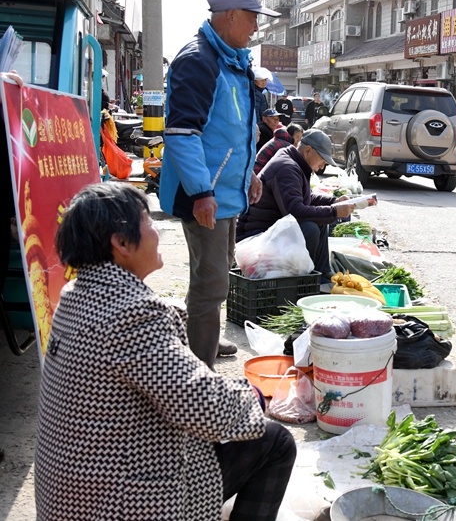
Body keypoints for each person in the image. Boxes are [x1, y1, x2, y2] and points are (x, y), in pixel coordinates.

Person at [34, 182, 296, 521]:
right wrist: (253, 396)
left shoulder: (76, 293)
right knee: (275, 441)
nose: (157, 230)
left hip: (71, 492)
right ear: (121, 242)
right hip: (116, 502)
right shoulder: (131, 314)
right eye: (147, 222)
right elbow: (204, 408)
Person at [160, 0, 278, 368]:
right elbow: (182, 133)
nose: (256, 28)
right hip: (204, 196)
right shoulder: (198, 60)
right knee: (209, 283)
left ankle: (205, 337)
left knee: (219, 274)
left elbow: (237, 131)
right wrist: (201, 191)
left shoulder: (235, 61)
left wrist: (250, 176)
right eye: (252, 18)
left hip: (227, 192)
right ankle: (200, 367)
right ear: (229, 16)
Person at [236, 130, 361, 279]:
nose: (322, 167)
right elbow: (296, 212)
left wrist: (333, 202)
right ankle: (303, 281)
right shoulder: (287, 167)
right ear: (308, 151)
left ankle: (322, 274)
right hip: (255, 237)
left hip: (272, 231)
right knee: (310, 228)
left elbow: (304, 198)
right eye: (322, 160)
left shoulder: (294, 161)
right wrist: (334, 211)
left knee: (320, 219)